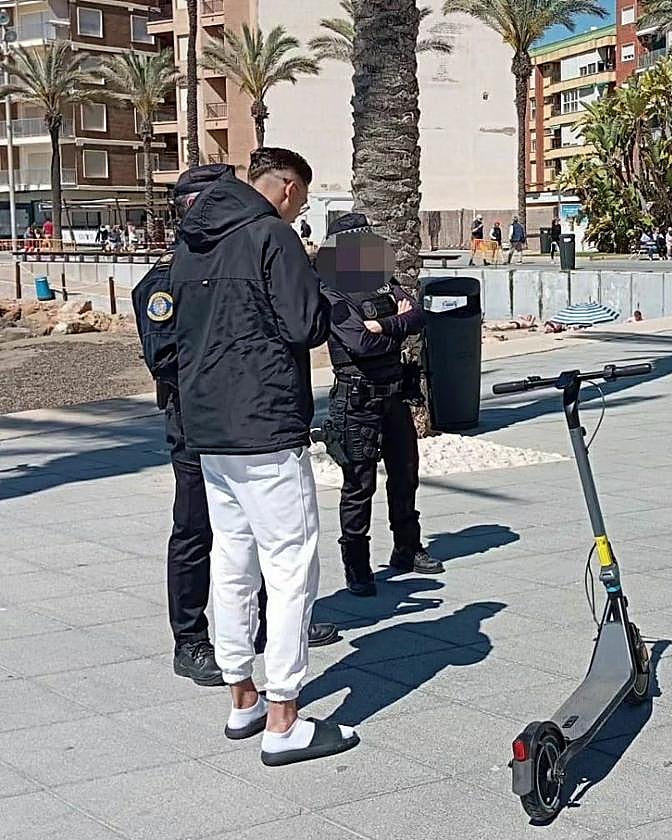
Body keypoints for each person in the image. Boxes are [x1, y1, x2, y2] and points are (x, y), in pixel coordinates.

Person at [172, 147, 359, 765]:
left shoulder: (192, 240)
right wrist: (324, 285)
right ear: (282, 188)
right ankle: (284, 718)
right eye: (300, 199)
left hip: (208, 428)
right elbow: (305, 326)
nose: (299, 211)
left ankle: (242, 698)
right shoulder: (271, 237)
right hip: (266, 425)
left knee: (232, 559)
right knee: (289, 565)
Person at [132, 165, 338, 688]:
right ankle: (202, 647)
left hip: (217, 418)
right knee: (212, 537)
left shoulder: (216, 249)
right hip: (216, 421)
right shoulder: (236, 247)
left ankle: (247, 667)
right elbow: (167, 354)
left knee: (239, 550)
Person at [316, 213, 441, 599]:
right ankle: (358, 566)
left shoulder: (383, 281)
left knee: (405, 475)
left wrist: (384, 327)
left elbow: (419, 315)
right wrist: (395, 329)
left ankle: (407, 547)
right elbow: (359, 345)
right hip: (357, 399)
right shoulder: (331, 290)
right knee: (359, 485)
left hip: (393, 394)